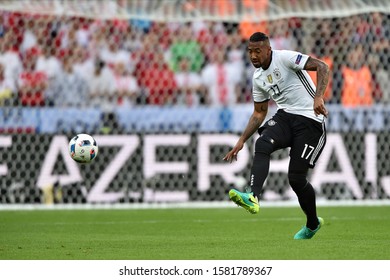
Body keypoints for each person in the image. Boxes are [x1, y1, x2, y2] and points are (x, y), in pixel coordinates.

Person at [223, 32, 329, 240]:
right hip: (286, 116)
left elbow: (322, 66)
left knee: (296, 179)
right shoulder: (258, 78)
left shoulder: (286, 58)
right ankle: (253, 196)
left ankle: (313, 223)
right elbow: (259, 113)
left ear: (268, 49)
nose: (253, 56)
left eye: (257, 51)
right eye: (250, 52)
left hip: (310, 120)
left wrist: (318, 97)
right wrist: (242, 140)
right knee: (262, 143)